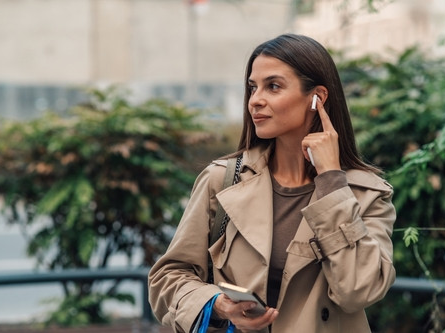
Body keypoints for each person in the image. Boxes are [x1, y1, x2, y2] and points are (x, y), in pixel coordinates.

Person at [148, 34, 396, 332]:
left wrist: (331, 181)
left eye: (273, 86)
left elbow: (359, 290)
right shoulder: (223, 180)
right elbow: (168, 277)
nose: (255, 100)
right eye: (253, 87)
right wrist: (219, 304)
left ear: (317, 97)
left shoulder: (367, 192)